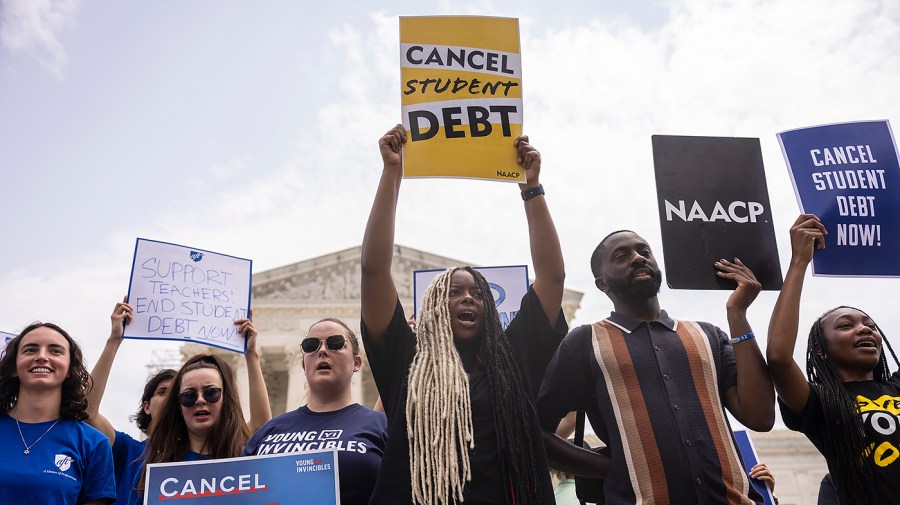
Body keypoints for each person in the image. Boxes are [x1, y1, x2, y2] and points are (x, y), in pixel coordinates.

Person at [361, 124, 567, 504]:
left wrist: (531, 188)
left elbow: (552, 277)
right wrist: (392, 174)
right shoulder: (407, 360)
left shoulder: (513, 356)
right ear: (436, 306)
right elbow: (374, 271)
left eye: (477, 293)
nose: (467, 299)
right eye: (454, 293)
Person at [538, 230, 775, 504]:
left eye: (644, 251)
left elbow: (760, 417)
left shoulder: (708, 335)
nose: (638, 258)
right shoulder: (584, 342)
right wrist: (610, 468)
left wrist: (738, 315)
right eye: (622, 256)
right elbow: (539, 433)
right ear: (602, 284)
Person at [766, 214, 900, 505]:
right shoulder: (819, 404)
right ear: (820, 351)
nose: (864, 328)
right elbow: (777, 356)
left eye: (870, 325)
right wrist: (799, 261)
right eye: (845, 325)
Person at [243, 318, 387, 505]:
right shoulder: (269, 431)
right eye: (310, 345)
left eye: (336, 343)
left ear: (357, 363)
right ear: (304, 365)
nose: (322, 350)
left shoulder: (382, 426)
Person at [129, 318, 272, 504]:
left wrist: (251, 355)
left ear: (225, 399)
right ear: (178, 406)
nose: (200, 400)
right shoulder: (155, 467)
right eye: (189, 395)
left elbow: (262, 426)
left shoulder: (243, 458)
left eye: (211, 392)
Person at [0, 322, 116, 504]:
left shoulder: (93, 443)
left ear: (70, 369)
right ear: (14, 368)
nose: (41, 356)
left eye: (55, 351)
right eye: (30, 350)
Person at [86, 298, 176, 505]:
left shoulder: (202, 459)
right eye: (163, 392)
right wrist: (114, 340)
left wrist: (250, 355)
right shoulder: (128, 450)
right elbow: (87, 412)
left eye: (178, 394)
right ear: (146, 406)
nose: (170, 399)